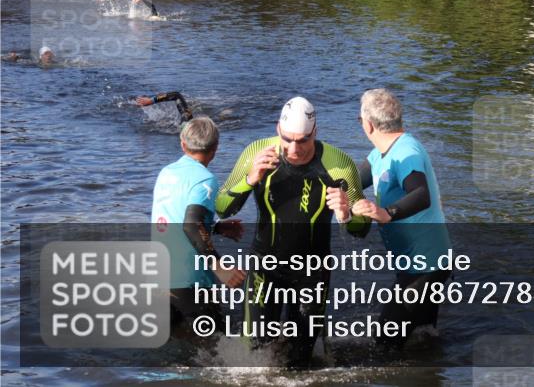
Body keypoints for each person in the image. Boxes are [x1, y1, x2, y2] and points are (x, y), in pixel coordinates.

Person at [216, 97, 370, 367]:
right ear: (278, 129)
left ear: (315, 132)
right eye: (287, 140)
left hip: (313, 272)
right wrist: (250, 180)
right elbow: (222, 208)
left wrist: (347, 214)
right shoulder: (257, 152)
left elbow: (361, 229)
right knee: (253, 352)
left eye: (303, 141)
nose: (294, 148)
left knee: (300, 359)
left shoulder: (340, 164)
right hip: (265, 267)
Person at [333, 88, 451, 346]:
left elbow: (421, 194)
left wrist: (386, 213)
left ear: (368, 124)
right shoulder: (380, 154)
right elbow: (349, 179)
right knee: (422, 339)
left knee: (385, 342)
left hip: (426, 265)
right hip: (421, 263)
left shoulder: (406, 152)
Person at [151, 117, 246, 333]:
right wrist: (220, 268)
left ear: (183, 144)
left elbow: (174, 220)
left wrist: (217, 227)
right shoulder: (205, 179)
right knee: (218, 353)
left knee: (171, 355)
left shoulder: (165, 173)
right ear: (215, 148)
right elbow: (191, 225)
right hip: (191, 280)